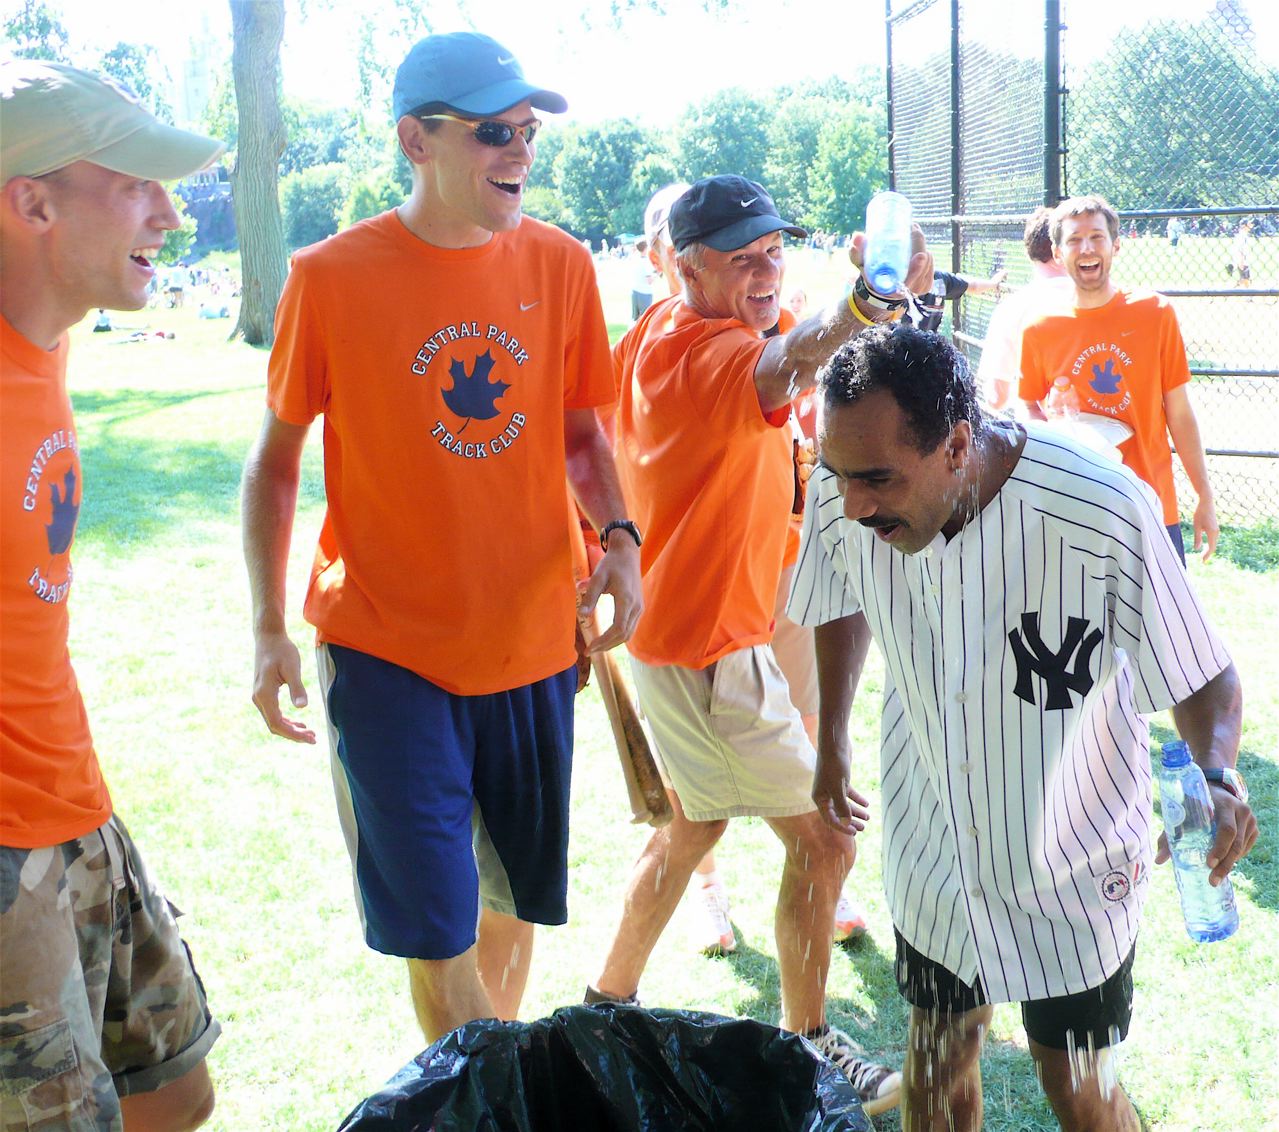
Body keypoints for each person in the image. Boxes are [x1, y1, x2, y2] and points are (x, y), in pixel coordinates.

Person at [241, 31, 643, 1046]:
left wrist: (623, 539)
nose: (518, 152)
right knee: (437, 928)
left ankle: (474, 1094)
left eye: (529, 132)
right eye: (493, 133)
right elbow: (276, 459)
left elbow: (583, 436)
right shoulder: (329, 276)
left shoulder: (558, 264)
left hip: (534, 642)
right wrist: (265, 626)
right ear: (416, 141)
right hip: (386, 649)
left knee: (511, 907)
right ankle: (489, 1102)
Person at [790, 323, 1257, 1132]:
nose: (852, 504)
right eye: (836, 477)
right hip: (932, 845)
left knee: (1075, 1083)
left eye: (876, 481)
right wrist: (832, 738)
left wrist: (1216, 775)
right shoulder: (847, 489)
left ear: (957, 444)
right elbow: (834, 591)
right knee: (936, 1060)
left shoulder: (1098, 506)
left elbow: (1203, 674)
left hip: (1073, 862)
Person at [588, 174, 934, 1117]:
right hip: (708, 648)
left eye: (774, 251)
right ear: (685, 264)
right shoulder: (702, 352)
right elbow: (786, 367)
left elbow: (800, 366)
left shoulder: (662, 329)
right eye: (742, 259)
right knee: (825, 842)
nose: (765, 271)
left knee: (691, 826)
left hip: (683, 638)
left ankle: (601, 1007)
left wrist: (882, 311)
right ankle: (809, 1045)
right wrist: (862, 305)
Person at [1, 60, 224, 1130]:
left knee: (176, 1094)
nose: (170, 213)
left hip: (76, 804)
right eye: (136, 181)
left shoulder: (42, 344)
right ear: (30, 200)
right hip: (8, 852)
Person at [1019, 195, 1219, 563]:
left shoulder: (1155, 313)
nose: (1087, 248)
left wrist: (1204, 496)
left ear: (1116, 245)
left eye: (1096, 237)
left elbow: (1179, 410)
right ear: (1058, 254)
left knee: (1162, 619)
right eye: (1074, 240)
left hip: (1151, 503)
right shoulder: (1039, 328)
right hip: (1077, 505)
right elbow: (1029, 404)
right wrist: (1055, 426)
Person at [974, 207, 1071, 412]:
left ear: (1028, 252)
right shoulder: (1100, 300)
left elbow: (997, 397)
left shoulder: (1012, 309)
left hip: (1040, 435)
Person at [902, 267, 1006, 332]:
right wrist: (993, 283)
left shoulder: (899, 282)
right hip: (930, 351)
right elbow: (973, 286)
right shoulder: (940, 278)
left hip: (900, 352)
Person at [1231, 219, 1252, 287]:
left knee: (1244, 278)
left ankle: (1232, 289)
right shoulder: (1242, 235)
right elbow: (1240, 249)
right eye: (1249, 224)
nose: (1251, 225)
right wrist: (1241, 260)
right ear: (1244, 226)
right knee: (1246, 278)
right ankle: (1249, 295)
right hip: (1241, 258)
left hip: (1243, 258)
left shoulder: (1244, 234)